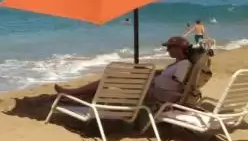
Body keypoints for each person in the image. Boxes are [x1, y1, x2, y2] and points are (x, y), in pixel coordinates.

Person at [54, 36, 192, 104]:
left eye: (170, 47)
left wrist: (151, 80)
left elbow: (175, 83)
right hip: (153, 88)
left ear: (178, 49)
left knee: (109, 81)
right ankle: (76, 96)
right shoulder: (178, 64)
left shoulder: (184, 64)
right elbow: (169, 78)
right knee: (114, 79)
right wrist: (150, 74)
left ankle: (73, 93)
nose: (167, 50)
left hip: (155, 93)